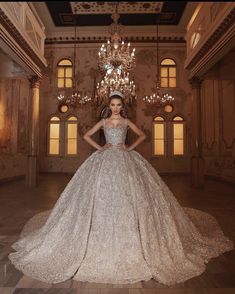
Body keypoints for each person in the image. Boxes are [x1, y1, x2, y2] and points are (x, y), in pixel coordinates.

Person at [8, 91, 233, 286]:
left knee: (133, 196)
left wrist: (128, 146)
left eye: (118, 105)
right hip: (105, 158)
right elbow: (86, 135)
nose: (116, 108)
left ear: (122, 107)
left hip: (125, 159)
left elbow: (144, 135)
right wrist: (102, 146)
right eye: (113, 105)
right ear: (109, 106)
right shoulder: (105, 122)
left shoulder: (125, 122)